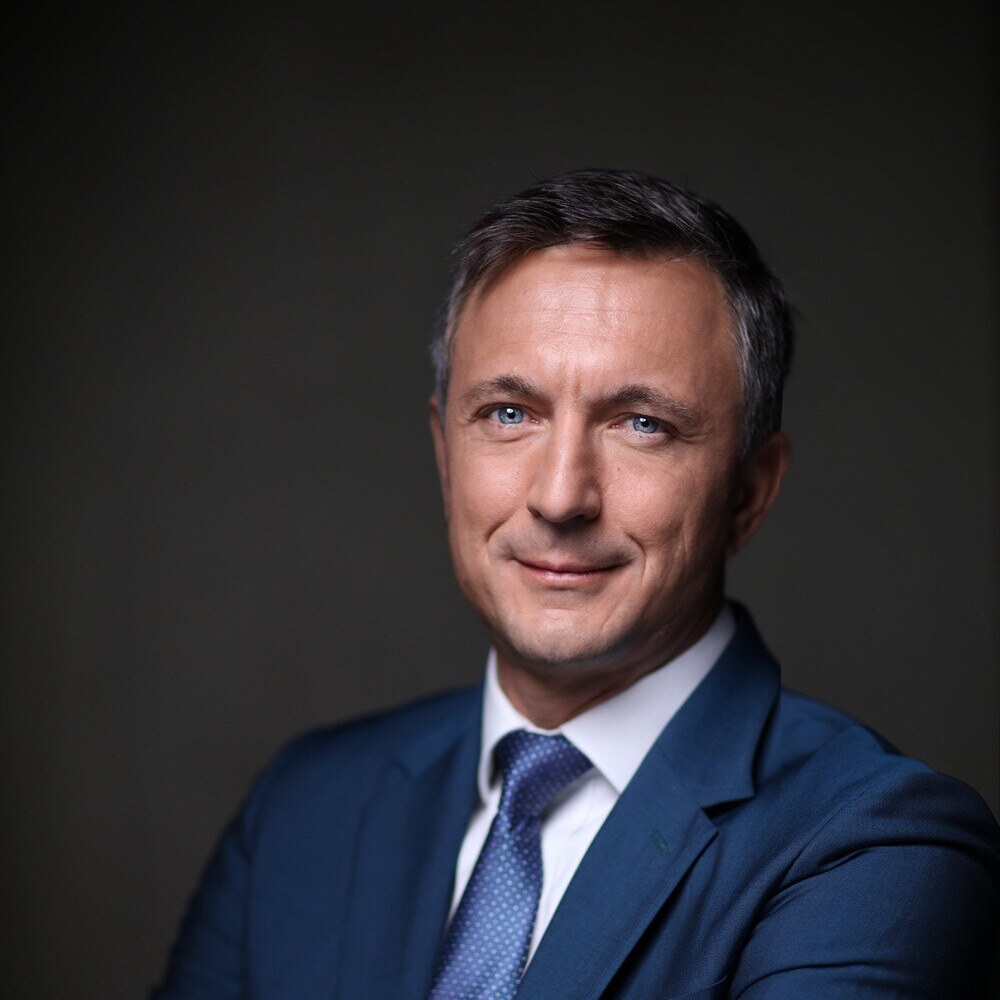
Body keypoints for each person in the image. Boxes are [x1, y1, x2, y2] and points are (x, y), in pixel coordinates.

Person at [153, 170, 999, 999]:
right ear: (445, 455)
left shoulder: (876, 848)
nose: (560, 497)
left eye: (642, 424)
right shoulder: (305, 806)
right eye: (509, 414)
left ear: (749, 492)